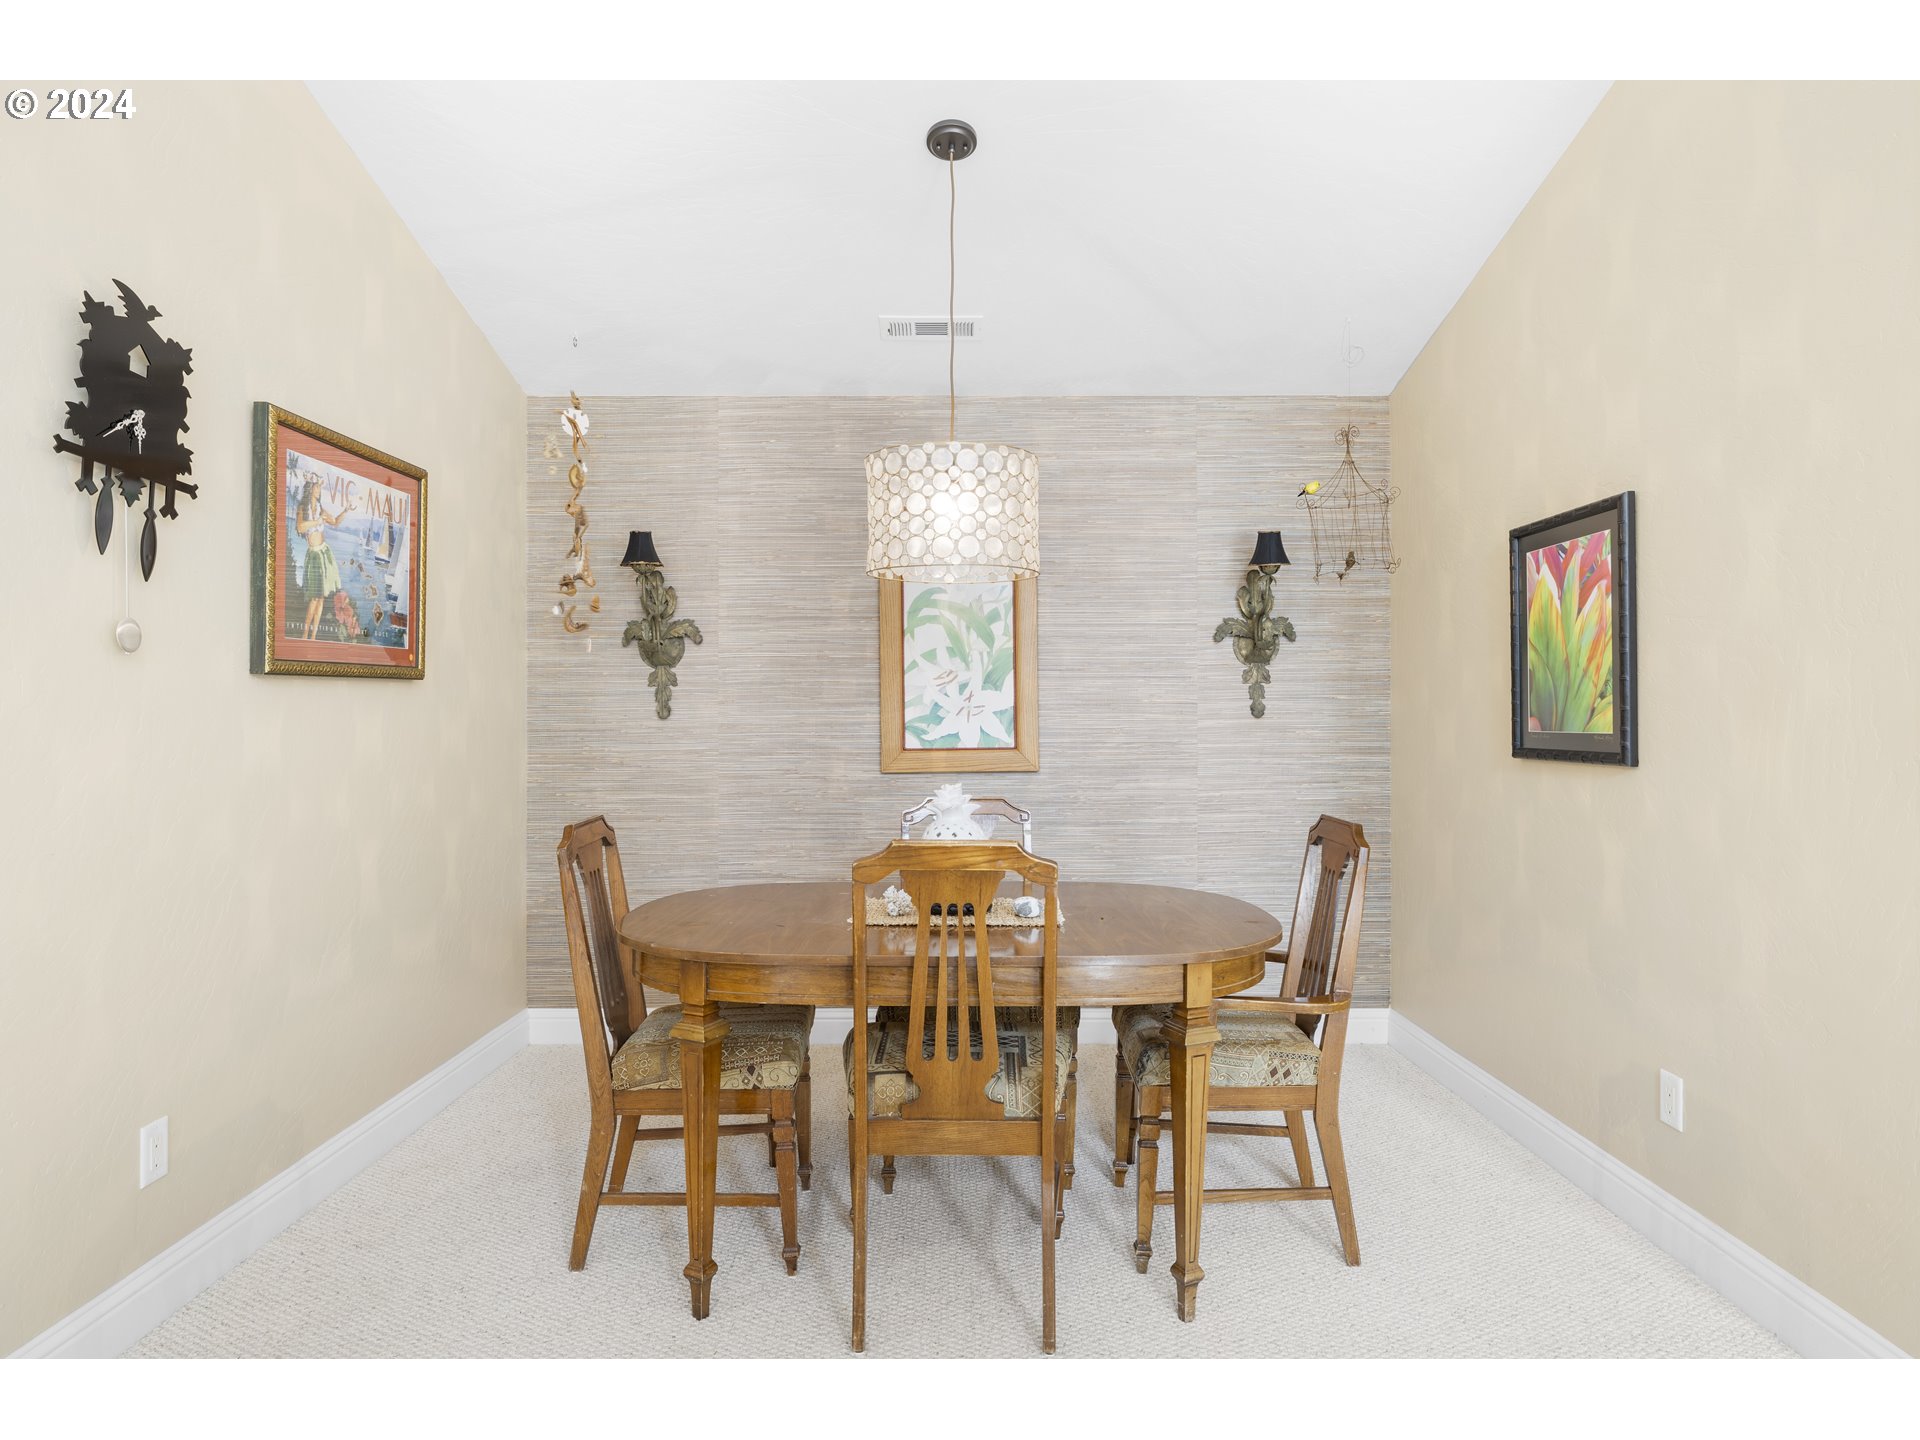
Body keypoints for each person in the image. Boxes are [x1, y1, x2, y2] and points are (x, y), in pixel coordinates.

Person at [295, 475, 348, 641]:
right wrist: (316, 521)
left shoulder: (320, 508)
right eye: (317, 487)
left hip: (325, 554)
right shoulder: (302, 508)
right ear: (310, 488)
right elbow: (300, 526)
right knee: (314, 598)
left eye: (319, 487)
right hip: (314, 555)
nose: (319, 490)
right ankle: (304, 635)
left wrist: (345, 511)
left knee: (321, 598)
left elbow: (335, 522)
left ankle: (313, 636)